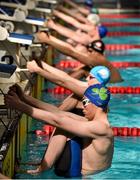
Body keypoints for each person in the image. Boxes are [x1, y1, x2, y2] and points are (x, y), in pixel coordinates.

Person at [4, 83, 114, 177]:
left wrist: (19, 105)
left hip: (89, 178)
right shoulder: (93, 124)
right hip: (83, 174)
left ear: (96, 103)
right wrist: (24, 98)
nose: (82, 106)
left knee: (63, 126)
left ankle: (40, 171)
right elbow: (59, 113)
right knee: (65, 123)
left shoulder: (101, 128)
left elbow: (58, 121)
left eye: (85, 102)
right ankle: (40, 169)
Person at [36, 32, 123, 83]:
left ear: (91, 50)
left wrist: (47, 40)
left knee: (83, 70)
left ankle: (57, 81)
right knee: (84, 69)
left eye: (89, 51)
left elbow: (71, 52)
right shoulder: (100, 58)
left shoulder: (96, 59)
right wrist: (50, 38)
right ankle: (55, 79)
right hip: (113, 86)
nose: (87, 54)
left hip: (114, 91)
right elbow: (71, 49)